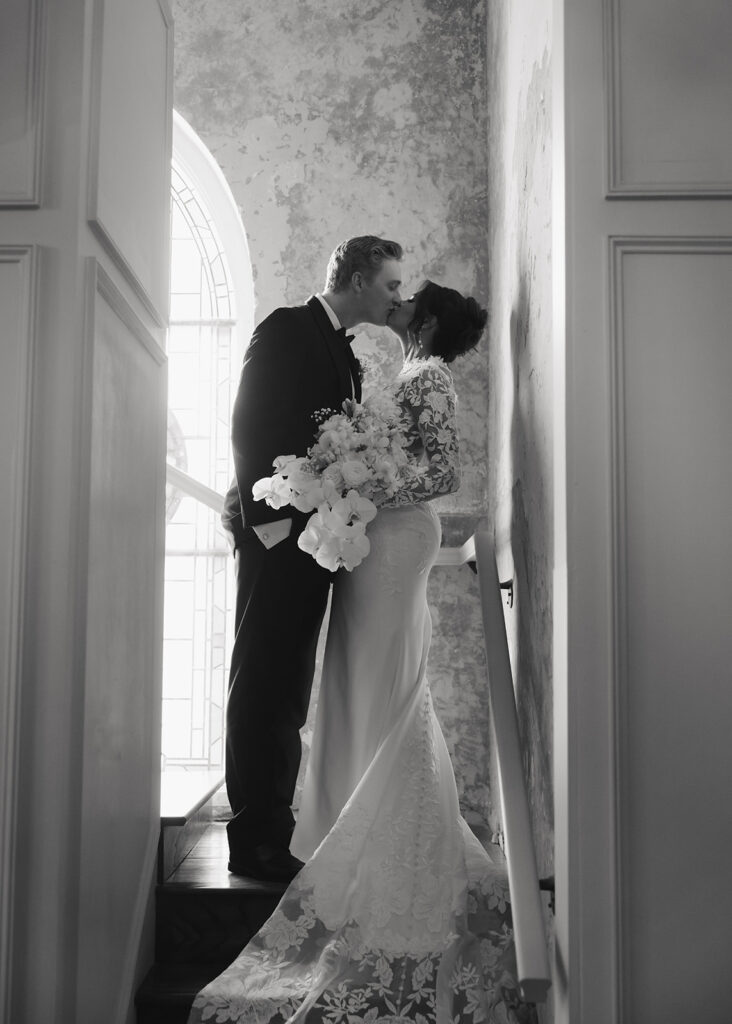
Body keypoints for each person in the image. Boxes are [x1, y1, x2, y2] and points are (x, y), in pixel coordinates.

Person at [191, 282, 538, 1023]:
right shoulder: (396, 372)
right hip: (368, 536)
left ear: (431, 319)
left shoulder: (431, 376)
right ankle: (348, 819)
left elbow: (439, 473)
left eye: (410, 298)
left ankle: (389, 832)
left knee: (381, 681)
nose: (398, 303)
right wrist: (341, 479)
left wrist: (360, 478)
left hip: (396, 533)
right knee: (351, 679)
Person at [221, 236, 404, 883]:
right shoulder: (288, 329)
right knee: (264, 677)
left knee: (290, 682)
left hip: (315, 540)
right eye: (389, 285)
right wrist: (267, 526)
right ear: (356, 279)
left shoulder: (345, 352)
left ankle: (276, 824)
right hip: (278, 535)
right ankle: (251, 838)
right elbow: (249, 422)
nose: (397, 297)